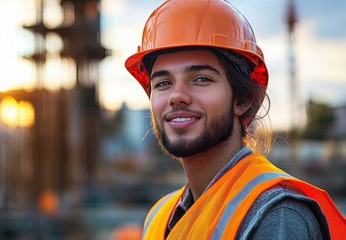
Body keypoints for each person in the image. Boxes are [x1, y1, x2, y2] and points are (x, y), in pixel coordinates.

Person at [124, 0, 346, 239]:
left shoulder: (275, 214)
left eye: (201, 79)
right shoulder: (159, 215)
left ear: (243, 100)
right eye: (163, 83)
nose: (176, 96)